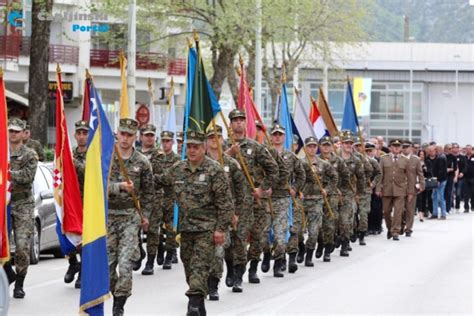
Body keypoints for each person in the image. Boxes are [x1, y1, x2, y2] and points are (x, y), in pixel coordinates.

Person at [165, 130, 233, 316]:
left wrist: (220, 229)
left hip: (207, 229)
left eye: (196, 147)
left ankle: (193, 304)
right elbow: (160, 181)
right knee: (188, 264)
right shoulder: (178, 168)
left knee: (199, 265)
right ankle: (199, 303)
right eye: (189, 147)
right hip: (186, 229)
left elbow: (225, 203)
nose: (192, 150)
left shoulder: (214, 170)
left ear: (203, 148)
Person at [224, 109, 279, 284]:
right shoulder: (222, 146)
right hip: (228, 198)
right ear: (231, 124)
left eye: (241, 119)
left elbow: (273, 169)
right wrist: (229, 154)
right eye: (235, 120)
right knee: (230, 239)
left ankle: (251, 268)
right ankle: (231, 268)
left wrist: (263, 189)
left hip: (252, 198)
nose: (238, 123)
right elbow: (212, 166)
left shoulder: (255, 147)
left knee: (255, 235)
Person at [108, 118, 154, 315]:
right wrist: (118, 187)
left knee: (125, 265)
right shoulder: (107, 158)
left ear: (135, 137)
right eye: (122, 134)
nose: (125, 139)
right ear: (117, 134)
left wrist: (146, 216)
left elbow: (149, 193)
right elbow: (97, 187)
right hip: (108, 216)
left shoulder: (142, 163)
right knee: (107, 268)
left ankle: (119, 305)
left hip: (130, 217)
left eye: (129, 135)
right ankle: (116, 293)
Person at [205, 124, 252, 297]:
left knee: (232, 246)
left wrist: (237, 213)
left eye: (217, 137)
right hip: (207, 214)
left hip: (228, 213)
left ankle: (233, 272)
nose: (214, 140)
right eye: (210, 138)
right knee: (216, 251)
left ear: (222, 140)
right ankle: (212, 284)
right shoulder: (201, 162)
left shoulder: (231, 164)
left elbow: (241, 190)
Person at [263, 124, 305, 275]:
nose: (277, 137)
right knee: (263, 234)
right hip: (266, 199)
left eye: (280, 134)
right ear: (271, 137)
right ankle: (267, 254)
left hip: (283, 198)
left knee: (280, 234)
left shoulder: (291, 157)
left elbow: (301, 175)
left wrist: (295, 188)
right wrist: (262, 187)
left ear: (284, 137)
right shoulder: (265, 154)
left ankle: (278, 263)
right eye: (274, 134)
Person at [7, 118, 38, 299]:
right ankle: (7, 274)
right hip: (5, 203)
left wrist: (7, 172)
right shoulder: (2, 151)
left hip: (23, 205)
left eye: (17, 131)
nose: (13, 134)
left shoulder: (30, 154)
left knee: (21, 246)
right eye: (11, 131)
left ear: (23, 133)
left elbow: (27, 176)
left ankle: (19, 282)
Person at [300, 136, 336, 266]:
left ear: (317, 147)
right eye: (309, 146)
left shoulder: (324, 164)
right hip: (301, 201)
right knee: (297, 231)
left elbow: (334, 178)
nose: (312, 148)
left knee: (314, 231)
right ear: (305, 147)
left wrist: (327, 190)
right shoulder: (300, 163)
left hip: (316, 201)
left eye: (314, 146)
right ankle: (300, 248)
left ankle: (309, 256)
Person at [64, 120, 89, 289]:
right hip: (72, 202)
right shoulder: (69, 154)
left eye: (84, 133)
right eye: (79, 133)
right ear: (74, 135)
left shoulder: (94, 155)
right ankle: (73, 262)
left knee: (84, 239)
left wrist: (71, 162)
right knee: (67, 235)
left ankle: (83, 272)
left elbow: (88, 171)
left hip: (87, 203)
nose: (81, 136)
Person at [151, 131, 181, 270]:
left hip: (171, 197)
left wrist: (159, 178)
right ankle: (156, 251)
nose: (165, 143)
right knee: (154, 228)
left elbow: (171, 178)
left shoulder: (177, 159)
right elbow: (149, 175)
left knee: (170, 229)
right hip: (156, 197)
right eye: (163, 141)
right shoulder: (156, 157)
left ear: (172, 142)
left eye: (168, 141)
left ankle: (169, 255)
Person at [376, 139, 414, 241]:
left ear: (401, 148)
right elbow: (380, 175)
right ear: (390, 147)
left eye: (398, 146)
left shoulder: (405, 160)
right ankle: (390, 228)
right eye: (394, 146)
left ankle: (395, 231)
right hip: (387, 189)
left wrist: (410, 191)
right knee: (387, 212)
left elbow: (410, 177)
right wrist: (378, 188)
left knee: (398, 211)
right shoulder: (384, 159)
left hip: (400, 189)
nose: (396, 147)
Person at [338, 131, 365, 255]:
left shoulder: (356, 160)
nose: (348, 145)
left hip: (348, 193)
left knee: (346, 219)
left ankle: (345, 243)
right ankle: (334, 238)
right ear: (341, 144)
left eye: (350, 143)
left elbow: (361, 177)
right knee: (332, 220)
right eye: (346, 143)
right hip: (333, 192)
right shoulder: (334, 157)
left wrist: (359, 193)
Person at [401, 140, 425, 236]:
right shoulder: (398, 158)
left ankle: (408, 229)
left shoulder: (416, 159)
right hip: (400, 187)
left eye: (407, 147)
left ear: (411, 148)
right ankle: (401, 225)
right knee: (400, 209)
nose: (405, 149)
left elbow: (420, 173)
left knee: (410, 210)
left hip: (411, 188)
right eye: (404, 147)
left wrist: (422, 185)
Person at [427, 145, 448, 219]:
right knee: (434, 197)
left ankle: (443, 214)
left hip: (440, 180)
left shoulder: (441, 158)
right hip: (436, 179)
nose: (431, 152)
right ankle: (435, 213)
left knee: (440, 197)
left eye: (434, 150)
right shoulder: (439, 157)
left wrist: (438, 180)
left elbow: (441, 170)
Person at [416, 150, 432, 222]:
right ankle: (420, 214)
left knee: (425, 198)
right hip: (417, 182)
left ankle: (423, 211)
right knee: (420, 198)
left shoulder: (427, 162)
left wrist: (426, 170)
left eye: (423, 154)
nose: (421, 156)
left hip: (425, 181)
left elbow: (430, 173)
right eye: (420, 154)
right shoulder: (416, 162)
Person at [452, 143, 466, 211]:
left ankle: (457, 206)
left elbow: (465, 166)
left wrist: (462, 173)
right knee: (451, 192)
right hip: (451, 177)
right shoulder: (450, 157)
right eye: (454, 147)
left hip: (460, 178)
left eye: (456, 147)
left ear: (458, 148)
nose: (455, 149)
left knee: (458, 192)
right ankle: (451, 206)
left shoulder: (462, 157)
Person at [444, 144, 456, 213]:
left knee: (449, 192)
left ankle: (448, 208)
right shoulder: (442, 156)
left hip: (450, 176)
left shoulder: (453, 157)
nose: (450, 150)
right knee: (443, 192)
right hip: (443, 176)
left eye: (451, 148)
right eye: (449, 148)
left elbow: (455, 167)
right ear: (445, 149)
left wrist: (451, 169)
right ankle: (442, 207)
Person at [462, 145, 474, 212]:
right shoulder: (463, 158)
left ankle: (473, 206)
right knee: (466, 193)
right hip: (465, 178)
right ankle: (466, 207)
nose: (468, 150)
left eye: (470, 149)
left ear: (472, 150)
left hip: (473, 177)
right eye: (467, 149)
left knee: (473, 192)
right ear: (465, 150)